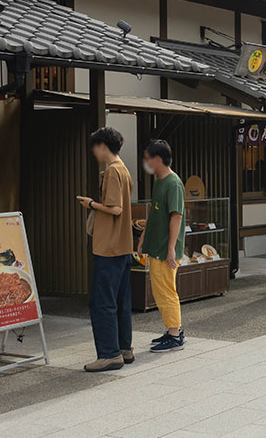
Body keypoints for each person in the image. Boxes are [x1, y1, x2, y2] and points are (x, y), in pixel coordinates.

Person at [76, 127, 134, 373]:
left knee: (102, 302)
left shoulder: (112, 172)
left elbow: (115, 209)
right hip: (123, 245)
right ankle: (124, 349)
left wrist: (90, 203)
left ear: (102, 146)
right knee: (121, 299)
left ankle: (109, 354)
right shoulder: (125, 170)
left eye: (95, 147)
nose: (94, 152)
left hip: (108, 246)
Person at [138, 139, 186, 351]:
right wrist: (142, 238)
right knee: (160, 290)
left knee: (166, 290)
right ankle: (172, 329)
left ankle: (175, 334)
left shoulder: (173, 183)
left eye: (148, 158)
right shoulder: (160, 182)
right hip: (157, 245)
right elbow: (155, 214)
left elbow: (176, 217)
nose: (146, 162)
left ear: (157, 159)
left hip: (165, 248)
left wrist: (171, 249)